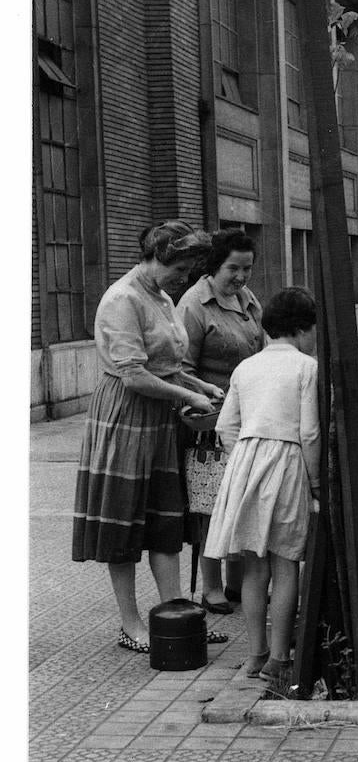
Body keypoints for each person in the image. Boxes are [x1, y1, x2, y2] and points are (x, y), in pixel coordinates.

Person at [72, 219, 230, 653]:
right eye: (181, 269)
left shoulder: (159, 295)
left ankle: (174, 617)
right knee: (124, 520)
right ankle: (131, 624)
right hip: (124, 416)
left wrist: (200, 387)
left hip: (158, 418)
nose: (186, 279)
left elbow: (164, 362)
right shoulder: (123, 298)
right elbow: (134, 375)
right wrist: (187, 394)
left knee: (165, 518)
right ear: (158, 257)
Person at [205, 288, 320, 687]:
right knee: (285, 563)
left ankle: (254, 653)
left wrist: (244, 460)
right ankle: (279, 655)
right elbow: (309, 431)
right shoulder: (308, 367)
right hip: (288, 465)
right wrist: (315, 480)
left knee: (253, 566)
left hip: (246, 464)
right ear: (305, 329)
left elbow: (225, 427)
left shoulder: (245, 368)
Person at [176, 229, 264, 613]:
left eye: (247, 268)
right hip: (208, 425)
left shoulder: (247, 300)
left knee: (242, 501)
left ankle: (236, 583)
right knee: (209, 505)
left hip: (246, 419)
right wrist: (207, 398)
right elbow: (179, 368)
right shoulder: (193, 305)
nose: (241, 277)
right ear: (214, 265)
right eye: (234, 268)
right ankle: (210, 586)